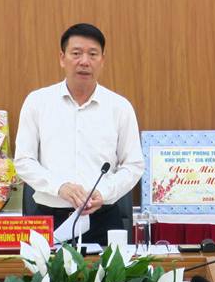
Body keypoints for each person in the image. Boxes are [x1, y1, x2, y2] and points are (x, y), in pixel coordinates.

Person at [14, 23, 143, 246]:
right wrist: (60, 186)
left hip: (103, 219)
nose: (84, 61)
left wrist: (103, 192)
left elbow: (133, 165)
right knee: (48, 271)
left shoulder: (119, 107)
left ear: (102, 60)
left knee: (107, 271)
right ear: (62, 58)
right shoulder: (37, 102)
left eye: (93, 54)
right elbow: (24, 161)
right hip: (49, 217)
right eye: (76, 53)